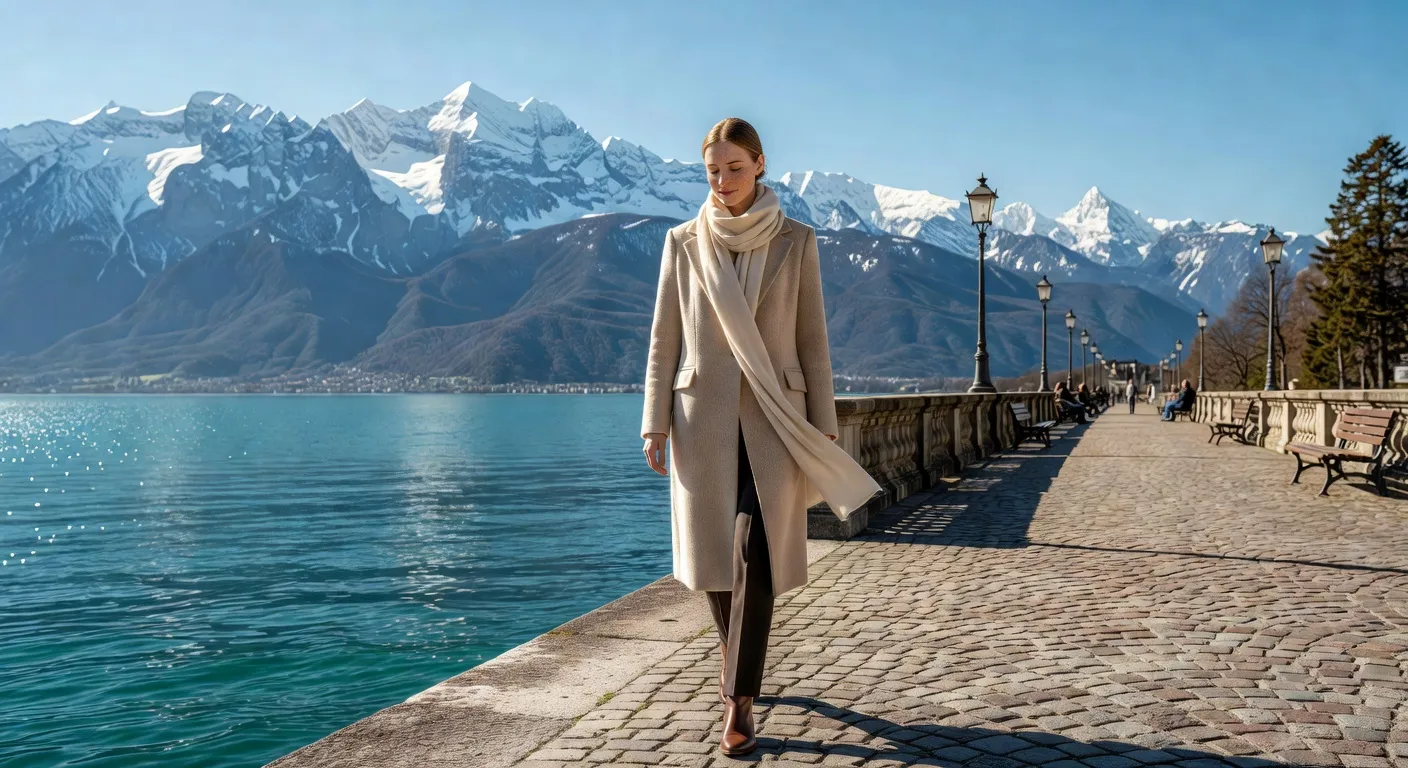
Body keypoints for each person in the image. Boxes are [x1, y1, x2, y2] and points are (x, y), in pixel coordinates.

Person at [639, 118, 881, 757]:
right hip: (702, 419)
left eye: (734, 169)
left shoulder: (797, 241)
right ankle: (733, 653)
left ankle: (739, 700)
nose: (722, 182)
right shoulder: (683, 242)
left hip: (776, 417)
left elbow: (813, 337)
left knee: (757, 552)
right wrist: (653, 421)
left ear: (761, 165)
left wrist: (823, 416)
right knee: (717, 556)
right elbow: (666, 338)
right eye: (713, 171)